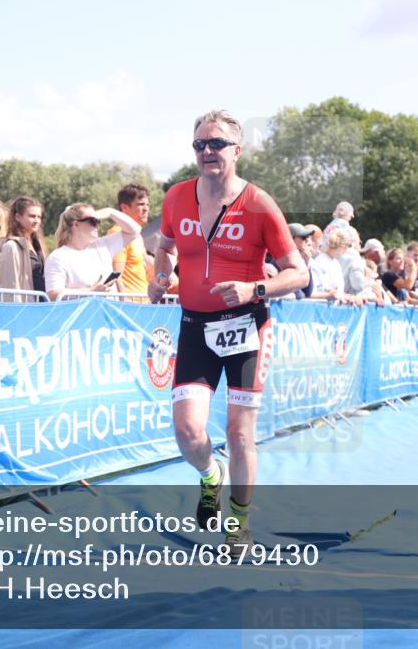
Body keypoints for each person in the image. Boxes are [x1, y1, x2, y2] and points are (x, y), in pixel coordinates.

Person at [147, 110, 308, 557]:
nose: (207, 152)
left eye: (216, 144)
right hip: (194, 327)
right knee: (187, 433)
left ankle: (238, 524)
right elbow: (165, 247)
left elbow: (298, 273)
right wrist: (159, 278)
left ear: (237, 150)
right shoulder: (177, 197)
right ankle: (209, 476)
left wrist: (254, 286)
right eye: (199, 145)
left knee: (240, 435)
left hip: (245, 328)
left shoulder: (258, 203)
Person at [45, 203, 142, 301]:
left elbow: (134, 231)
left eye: (98, 221)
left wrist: (111, 212)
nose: (97, 225)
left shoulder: (103, 245)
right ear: (76, 224)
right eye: (93, 221)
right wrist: (91, 291)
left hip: (108, 313)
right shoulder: (57, 257)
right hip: (81, 315)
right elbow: (53, 294)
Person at [0, 196, 47, 302]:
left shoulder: (37, 245)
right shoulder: (11, 247)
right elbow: (10, 286)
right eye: (32, 216)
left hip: (41, 307)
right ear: (17, 217)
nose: (36, 221)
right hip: (23, 309)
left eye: (39, 217)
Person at [108, 183, 151, 297]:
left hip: (142, 303)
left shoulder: (138, 236)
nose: (146, 208)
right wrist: (125, 305)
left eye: (147, 204)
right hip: (129, 307)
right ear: (124, 207)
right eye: (141, 204)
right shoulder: (118, 233)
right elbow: (116, 275)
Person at [309, 229, 351, 302]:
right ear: (342, 247)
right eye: (346, 247)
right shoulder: (321, 261)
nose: (346, 251)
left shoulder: (335, 262)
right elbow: (321, 288)